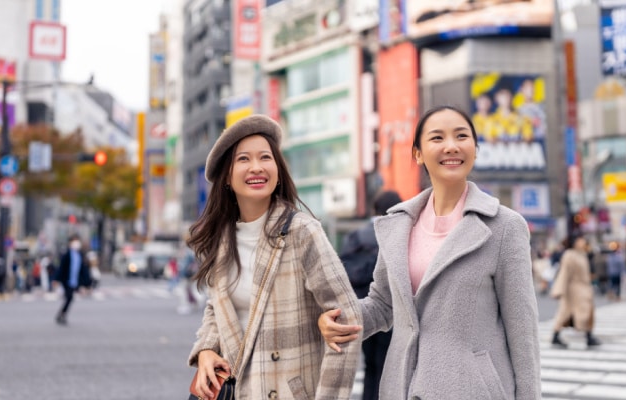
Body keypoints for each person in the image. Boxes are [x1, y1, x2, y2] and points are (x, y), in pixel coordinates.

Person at [318, 106, 541, 399]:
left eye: (462, 136)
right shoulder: (398, 224)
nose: (451, 146)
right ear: (418, 153)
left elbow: (522, 330)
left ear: (475, 148)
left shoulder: (504, 226)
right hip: (401, 386)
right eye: (437, 138)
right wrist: (338, 319)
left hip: (472, 391)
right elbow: (383, 305)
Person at [187, 115, 362, 399]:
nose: (256, 167)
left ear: (278, 170)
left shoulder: (301, 232)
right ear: (227, 178)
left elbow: (347, 320)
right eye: (243, 159)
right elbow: (217, 308)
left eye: (265, 157)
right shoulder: (222, 240)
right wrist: (206, 349)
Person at [338, 190, 402, 400]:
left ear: (374, 209)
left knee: (370, 365)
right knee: (386, 364)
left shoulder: (356, 236)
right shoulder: (397, 233)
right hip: (389, 308)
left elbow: (342, 270)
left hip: (361, 308)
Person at [550, 235, 601, 349]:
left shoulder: (582, 254)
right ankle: (557, 335)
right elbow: (564, 273)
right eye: (580, 239)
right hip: (573, 289)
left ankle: (588, 335)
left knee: (587, 312)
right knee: (565, 312)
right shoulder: (570, 255)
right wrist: (559, 289)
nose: (583, 241)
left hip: (583, 288)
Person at [53, 234, 91, 325]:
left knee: (69, 298)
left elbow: (83, 270)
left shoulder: (80, 255)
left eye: (77, 241)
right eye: (74, 241)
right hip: (67, 280)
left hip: (75, 281)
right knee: (69, 297)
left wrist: (87, 283)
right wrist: (56, 279)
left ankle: (61, 314)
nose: (76, 243)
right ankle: (61, 315)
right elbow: (61, 268)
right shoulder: (66, 254)